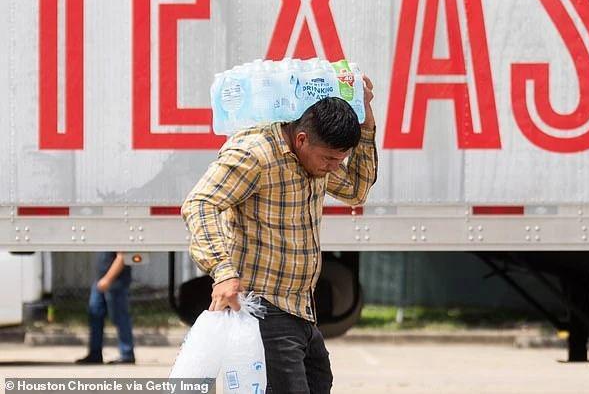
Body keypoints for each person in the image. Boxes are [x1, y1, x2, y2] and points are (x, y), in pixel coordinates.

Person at [182, 78, 377, 394]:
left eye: (339, 160)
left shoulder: (317, 159)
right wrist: (222, 272)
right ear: (301, 139)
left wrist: (366, 119)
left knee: (318, 383)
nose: (333, 168)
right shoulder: (254, 154)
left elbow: (357, 190)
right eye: (329, 159)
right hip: (263, 311)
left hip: (301, 309)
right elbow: (200, 203)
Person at [76, 251, 136, 364]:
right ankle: (95, 354)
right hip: (100, 280)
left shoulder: (117, 234)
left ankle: (127, 354)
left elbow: (122, 256)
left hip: (116, 281)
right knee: (95, 314)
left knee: (119, 317)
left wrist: (108, 279)